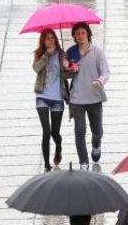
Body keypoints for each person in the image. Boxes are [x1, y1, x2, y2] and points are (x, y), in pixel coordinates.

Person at [66, 22, 110, 169]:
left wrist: (100, 81)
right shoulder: (71, 53)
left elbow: (106, 72)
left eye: (83, 33)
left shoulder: (97, 52)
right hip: (77, 98)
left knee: (97, 131)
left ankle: (96, 146)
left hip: (94, 97)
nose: (80, 36)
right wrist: (70, 69)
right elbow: (64, 74)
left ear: (88, 34)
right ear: (74, 36)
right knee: (80, 131)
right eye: (77, 34)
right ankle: (83, 162)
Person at [33, 28, 71, 172]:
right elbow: (36, 69)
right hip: (42, 96)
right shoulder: (40, 54)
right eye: (47, 38)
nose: (50, 40)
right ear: (43, 40)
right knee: (46, 131)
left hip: (57, 97)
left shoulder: (62, 54)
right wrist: (46, 55)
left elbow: (67, 76)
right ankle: (47, 165)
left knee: (55, 132)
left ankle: (58, 147)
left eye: (52, 38)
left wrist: (69, 67)